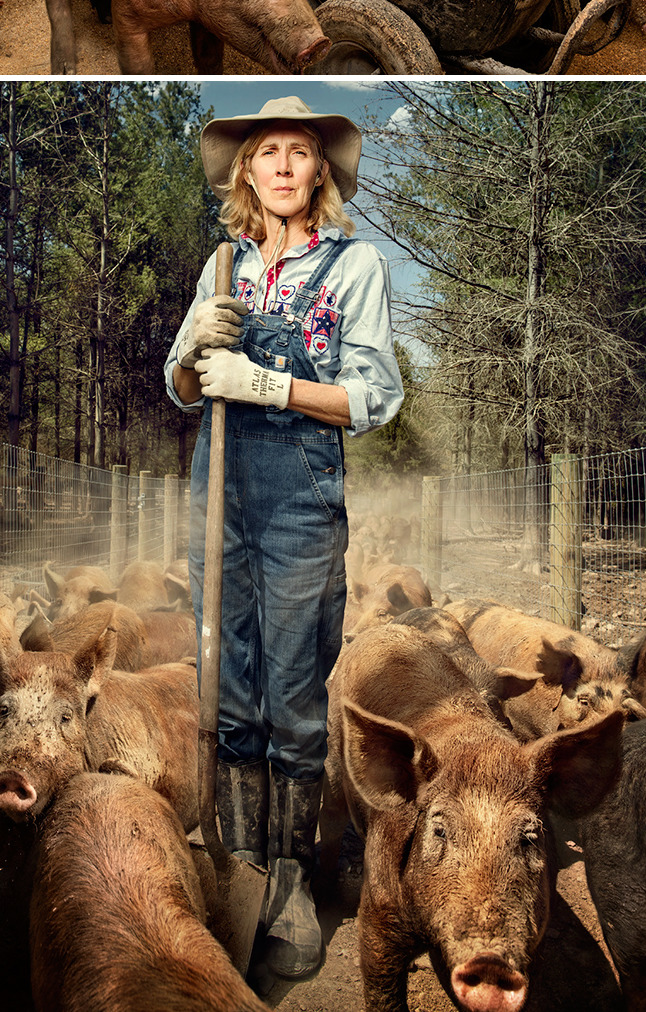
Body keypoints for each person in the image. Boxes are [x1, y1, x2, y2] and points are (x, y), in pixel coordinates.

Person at [165, 94, 404, 980]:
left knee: (293, 687)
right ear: (246, 170)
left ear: (320, 173)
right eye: (266, 150)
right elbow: (184, 390)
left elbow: (372, 398)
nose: (281, 165)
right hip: (218, 490)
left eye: (299, 152)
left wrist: (264, 382)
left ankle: (296, 875)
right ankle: (243, 859)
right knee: (225, 679)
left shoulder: (353, 267)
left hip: (302, 494)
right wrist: (196, 349)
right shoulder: (221, 265)